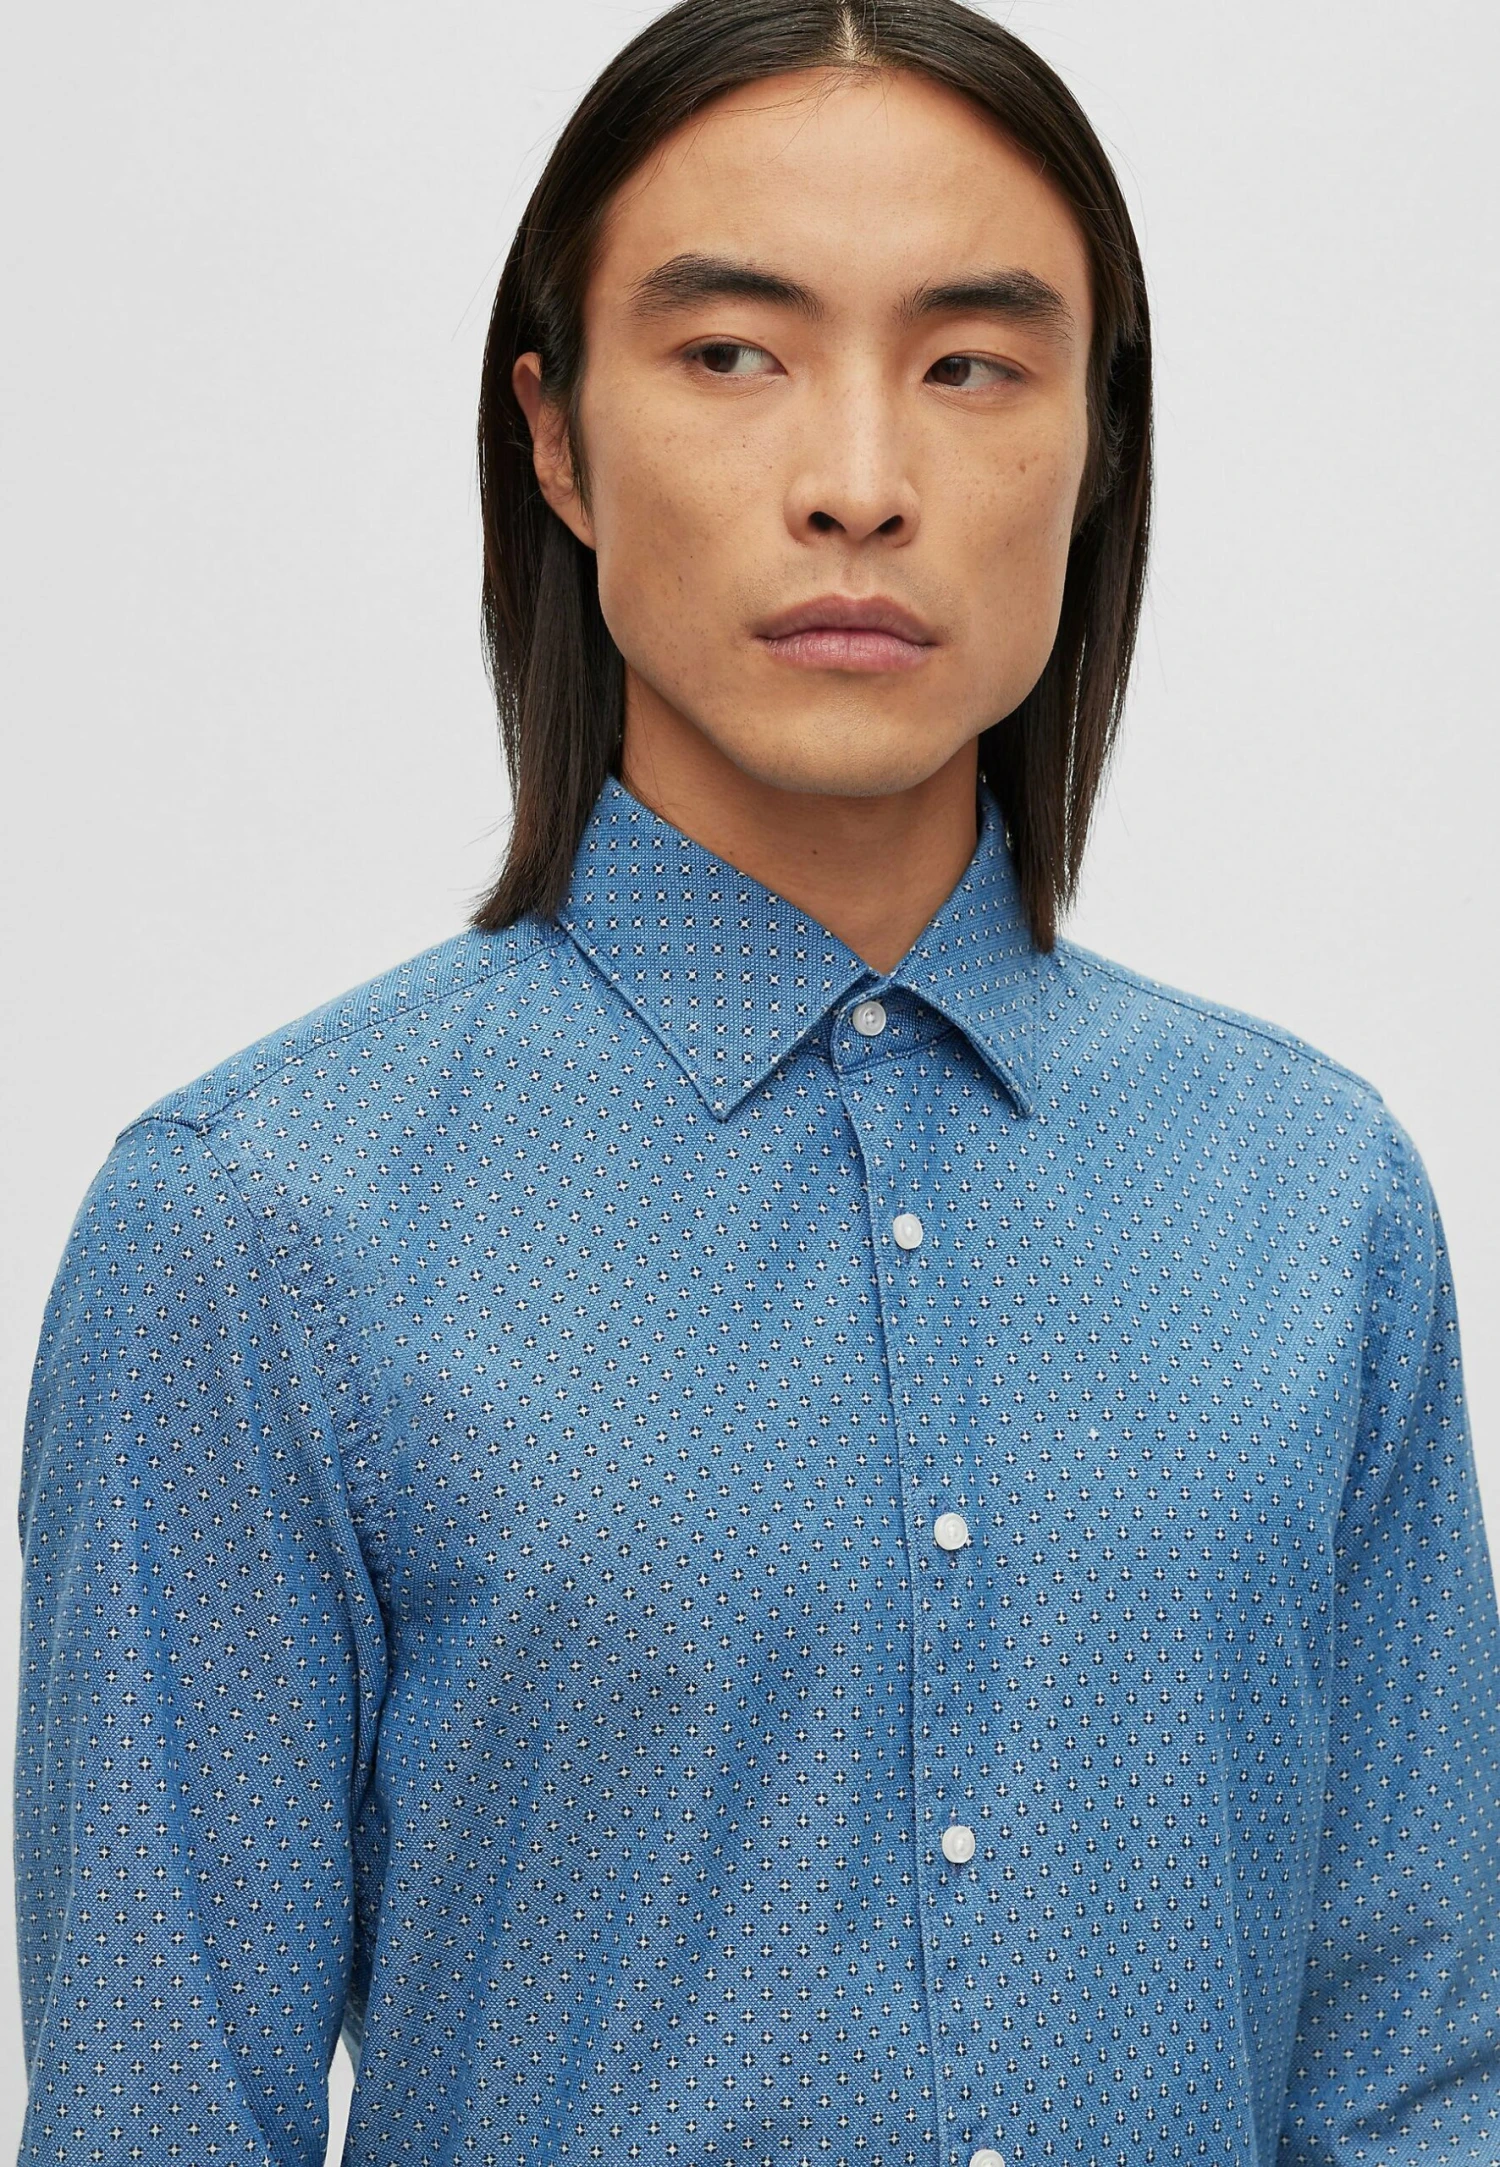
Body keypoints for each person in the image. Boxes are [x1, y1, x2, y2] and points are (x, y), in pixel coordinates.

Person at [15, 0, 1499, 2161]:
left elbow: (1420, 2087)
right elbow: (154, 2120)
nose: (859, 481)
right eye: (732, 352)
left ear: (1100, 439)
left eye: (971, 364)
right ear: (555, 435)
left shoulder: (1313, 1205)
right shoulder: (258, 1231)